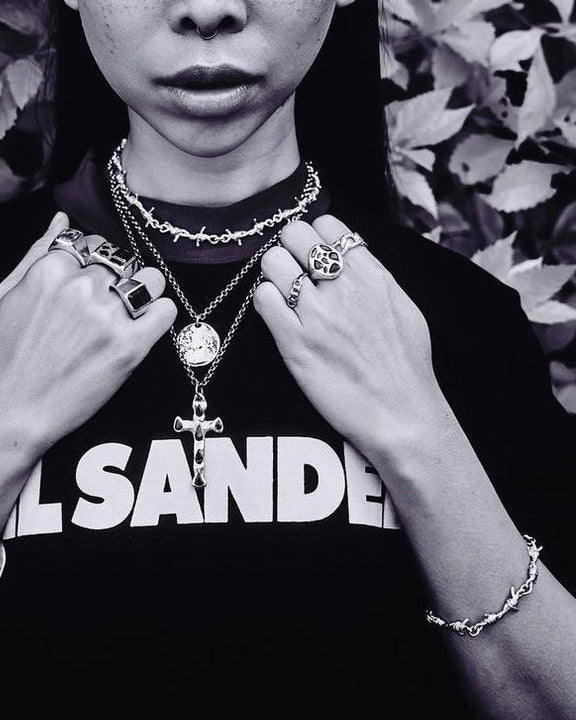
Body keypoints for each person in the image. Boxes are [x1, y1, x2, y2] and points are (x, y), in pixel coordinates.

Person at [0, 0, 575, 716]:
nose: (207, 9)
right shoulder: (12, 301)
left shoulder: (463, 321)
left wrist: (421, 439)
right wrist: (8, 426)